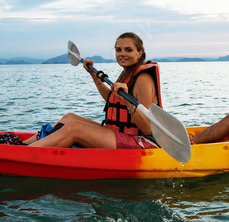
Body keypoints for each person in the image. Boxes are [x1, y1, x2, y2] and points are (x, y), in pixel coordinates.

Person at [21, 32, 162, 149]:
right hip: (121, 132)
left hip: (143, 142)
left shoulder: (143, 78)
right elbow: (111, 99)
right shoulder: (128, 73)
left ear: (139, 53)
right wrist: (94, 76)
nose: (122, 54)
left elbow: (147, 128)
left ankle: (25, 154)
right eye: (118, 50)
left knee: (74, 127)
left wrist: (128, 103)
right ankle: (22, 146)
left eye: (128, 50)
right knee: (70, 118)